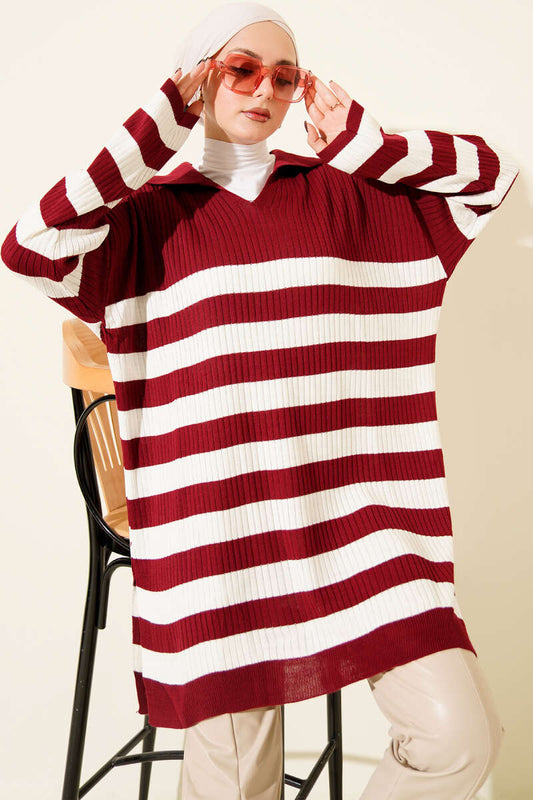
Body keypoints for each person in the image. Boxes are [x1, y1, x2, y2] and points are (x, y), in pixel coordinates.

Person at [1, 2, 519, 799]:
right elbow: (29, 247)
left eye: (284, 76)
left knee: (458, 736)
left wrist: (369, 147)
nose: (264, 90)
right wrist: (154, 133)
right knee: (235, 782)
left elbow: (494, 178)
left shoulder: (350, 197)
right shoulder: (142, 220)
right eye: (239, 69)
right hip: (221, 531)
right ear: (192, 82)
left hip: (361, 524)